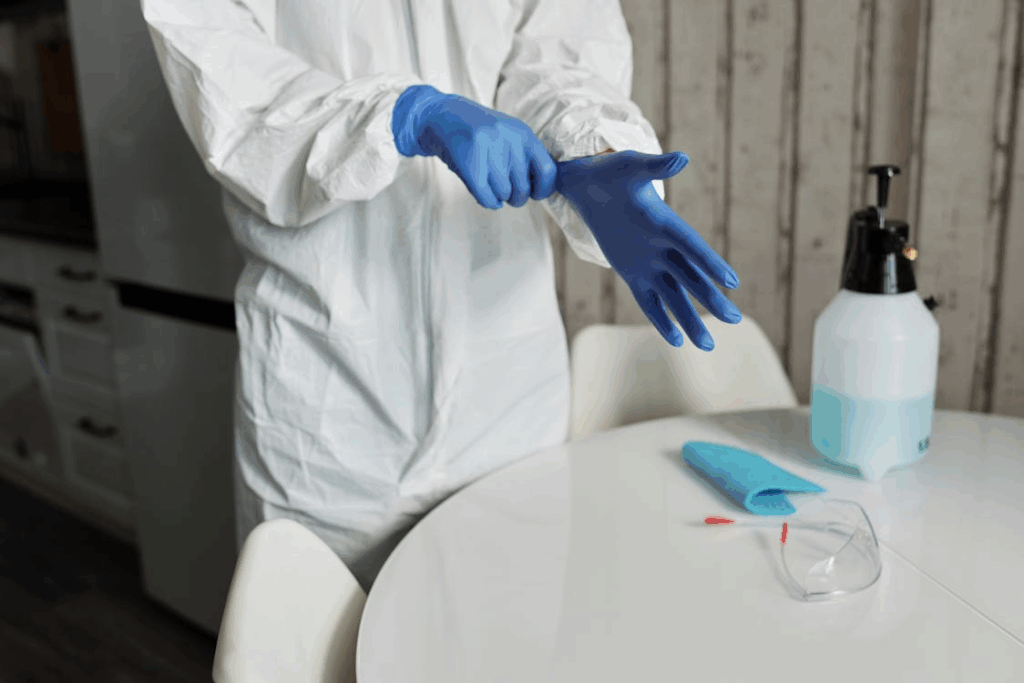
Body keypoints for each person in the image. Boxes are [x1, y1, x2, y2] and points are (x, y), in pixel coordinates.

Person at [140, 0, 743, 590]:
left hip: (506, 394)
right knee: (323, 652)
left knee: (507, 639)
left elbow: (561, 54)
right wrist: (400, 114)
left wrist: (591, 151)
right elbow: (237, 100)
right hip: (328, 407)